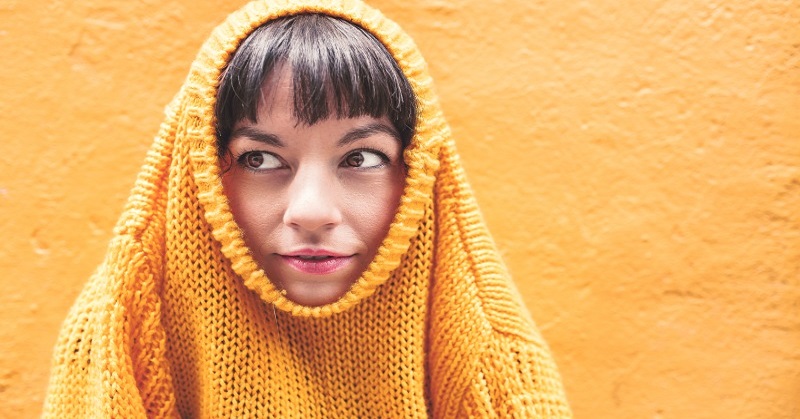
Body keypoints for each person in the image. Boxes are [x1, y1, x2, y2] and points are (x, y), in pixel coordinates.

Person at [43, 0, 572, 417]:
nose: (312, 211)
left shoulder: (493, 359)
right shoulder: (118, 336)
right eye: (258, 157)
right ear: (197, 178)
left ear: (419, 175)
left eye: (361, 157)